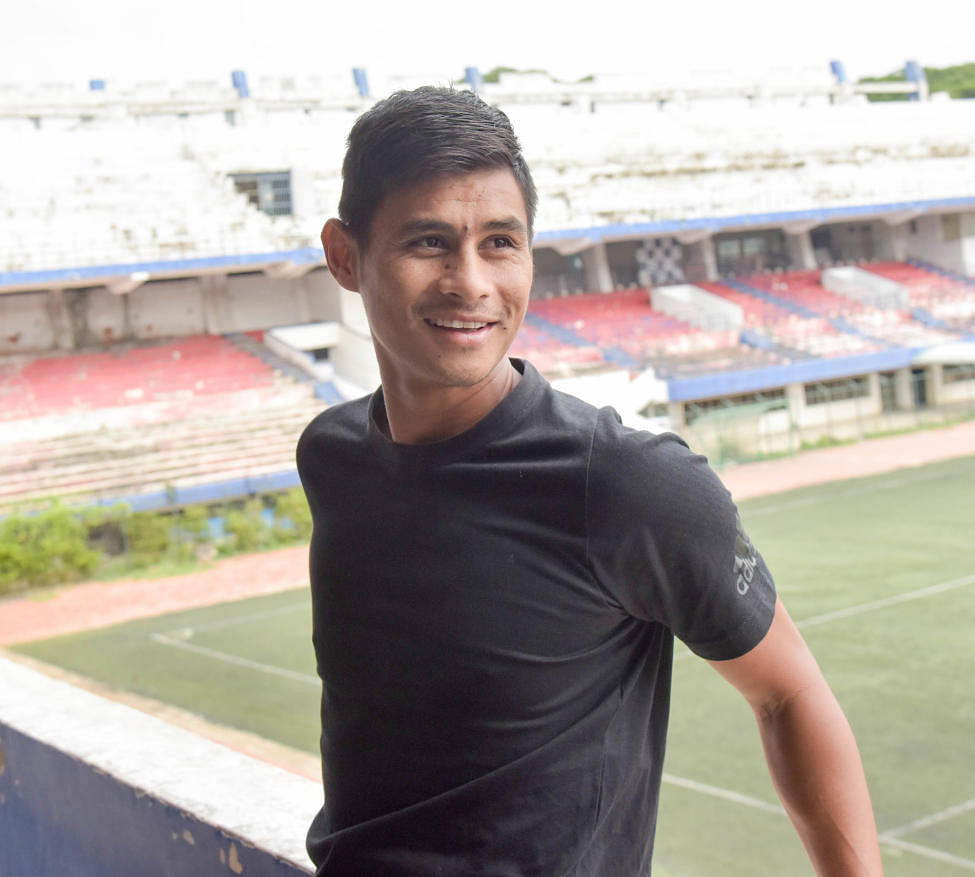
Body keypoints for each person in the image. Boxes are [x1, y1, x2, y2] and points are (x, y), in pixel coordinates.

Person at [298, 85, 883, 876]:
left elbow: (788, 694)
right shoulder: (332, 457)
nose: (470, 281)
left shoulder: (626, 485)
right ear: (345, 256)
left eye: (500, 242)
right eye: (428, 241)